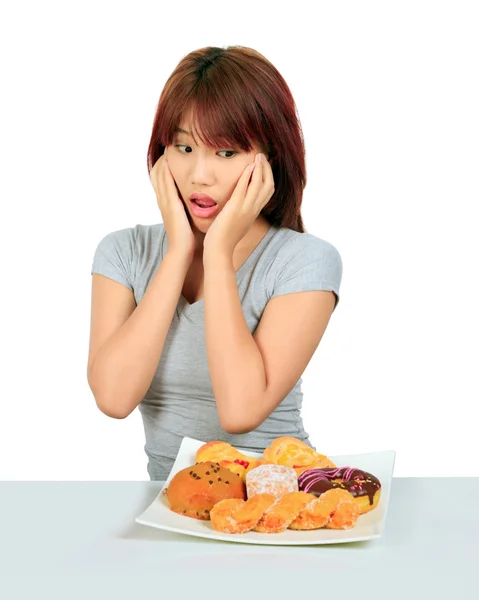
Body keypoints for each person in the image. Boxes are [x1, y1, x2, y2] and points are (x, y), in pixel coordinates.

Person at [87, 45, 343, 481]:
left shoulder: (304, 261)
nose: (198, 175)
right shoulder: (123, 252)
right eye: (183, 147)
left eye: (226, 153)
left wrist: (218, 254)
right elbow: (114, 398)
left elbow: (240, 410)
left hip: (279, 506)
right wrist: (177, 252)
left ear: (270, 158)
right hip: (172, 507)